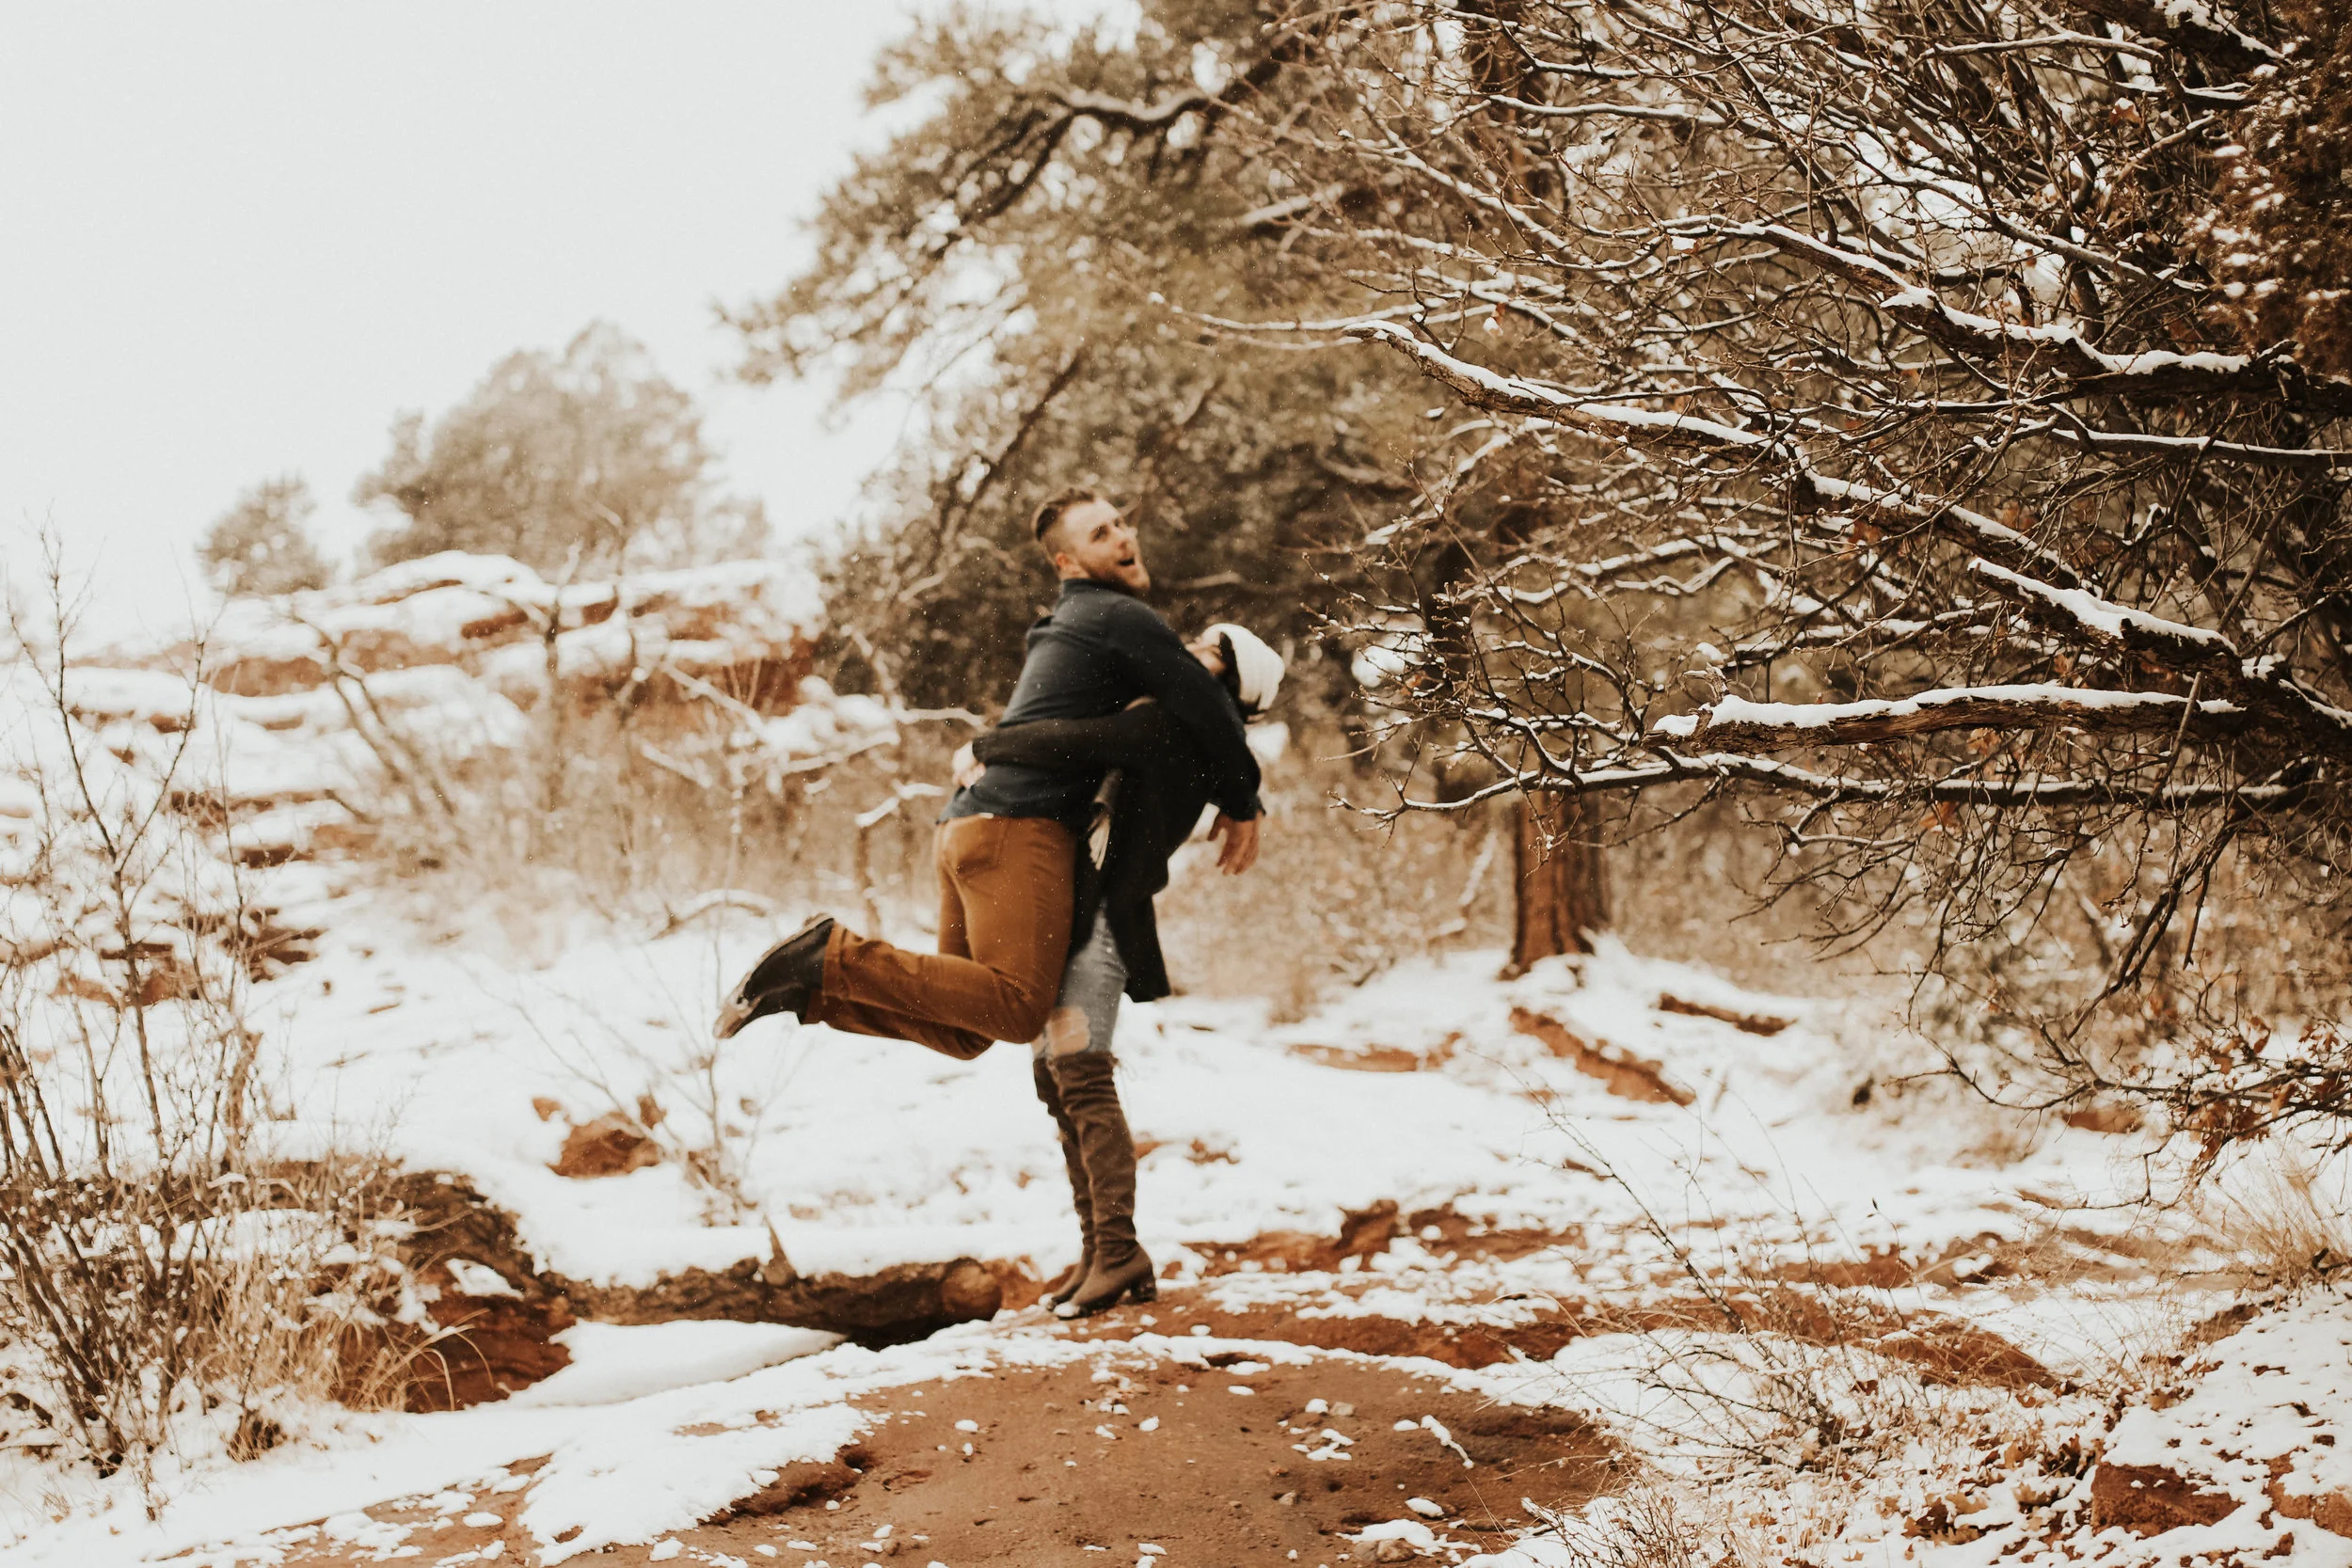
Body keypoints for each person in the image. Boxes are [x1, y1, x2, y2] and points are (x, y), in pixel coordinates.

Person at [713, 489, 1265, 1233]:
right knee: (1016, 1007)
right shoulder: (1117, 618)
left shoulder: (1071, 627)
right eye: (1103, 531)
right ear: (1068, 561)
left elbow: (1159, 717)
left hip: (969, 827)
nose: (1123, 536)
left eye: (1121, 524)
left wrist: (988, 745)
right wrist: (1245, 801)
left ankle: (812, 992)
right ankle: (828, 955)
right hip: (1016, 831)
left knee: (968, 1025)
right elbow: (1176, 711)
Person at [957, 624, 1284, 1316]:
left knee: (1080, 1075)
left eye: (1209, 650)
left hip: (1102, 923)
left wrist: (988, 746)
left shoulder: (1169, 726)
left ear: (1227, 682)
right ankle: (1101, 1252)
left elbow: (1076, 741)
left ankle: (1118, 1250)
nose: (1189, 650)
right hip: (1082, 914)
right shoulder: (1182, 726)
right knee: (1057, 1080)